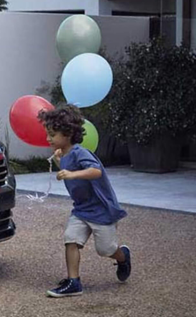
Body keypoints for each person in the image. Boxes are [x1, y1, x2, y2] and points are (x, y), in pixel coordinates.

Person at [38, 104, 131, 298]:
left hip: (101, 211)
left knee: (105, 250)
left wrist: (72, 174)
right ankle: (74, 282)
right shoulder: (63, 154)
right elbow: (67, 165)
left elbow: (95, 171)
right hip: (81, 210)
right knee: (70, 240)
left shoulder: (81, 153)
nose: (48, 139)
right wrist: (59, 163)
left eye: (52, 135)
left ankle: (123, 257)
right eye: (48, 134)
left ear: (68, 133)